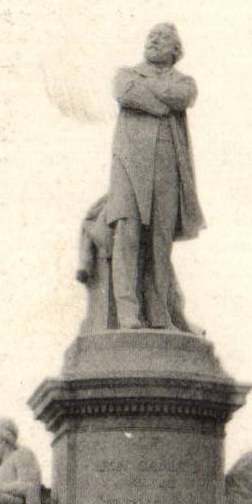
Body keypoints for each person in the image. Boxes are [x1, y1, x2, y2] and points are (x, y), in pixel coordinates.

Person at [106, 23, 205, 330]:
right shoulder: (127, 74)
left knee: (160, 243)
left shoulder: (185, 81)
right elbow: (124, 93)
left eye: (162, 39)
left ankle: (159, 312)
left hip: (167, 167)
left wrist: (153, 98)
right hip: (129, 164)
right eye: (150, 36)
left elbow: (183, 96)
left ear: (175, 52)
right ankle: (128, 312)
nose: (153, 40)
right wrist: (162, 104)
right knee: (128, 234)